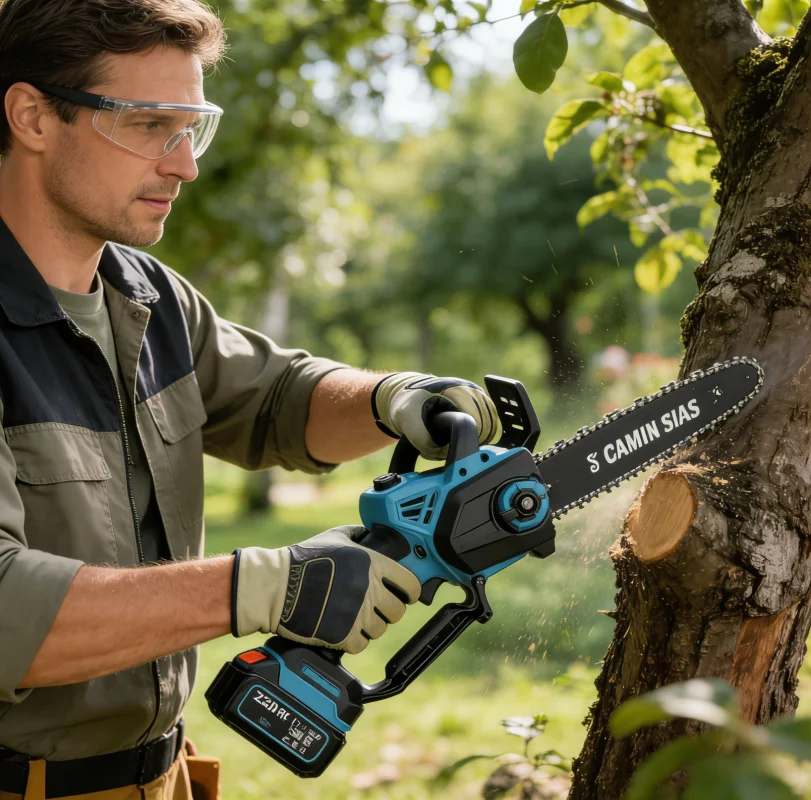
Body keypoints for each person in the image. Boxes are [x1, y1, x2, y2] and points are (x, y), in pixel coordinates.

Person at [0, 1, 499, 798]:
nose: (183, 163)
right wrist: (261, 585)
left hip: (159, 776)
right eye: (149, 124)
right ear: (31, 116)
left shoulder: (146, 294)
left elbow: (277, 399)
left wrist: (393, 398)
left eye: (191, 126)